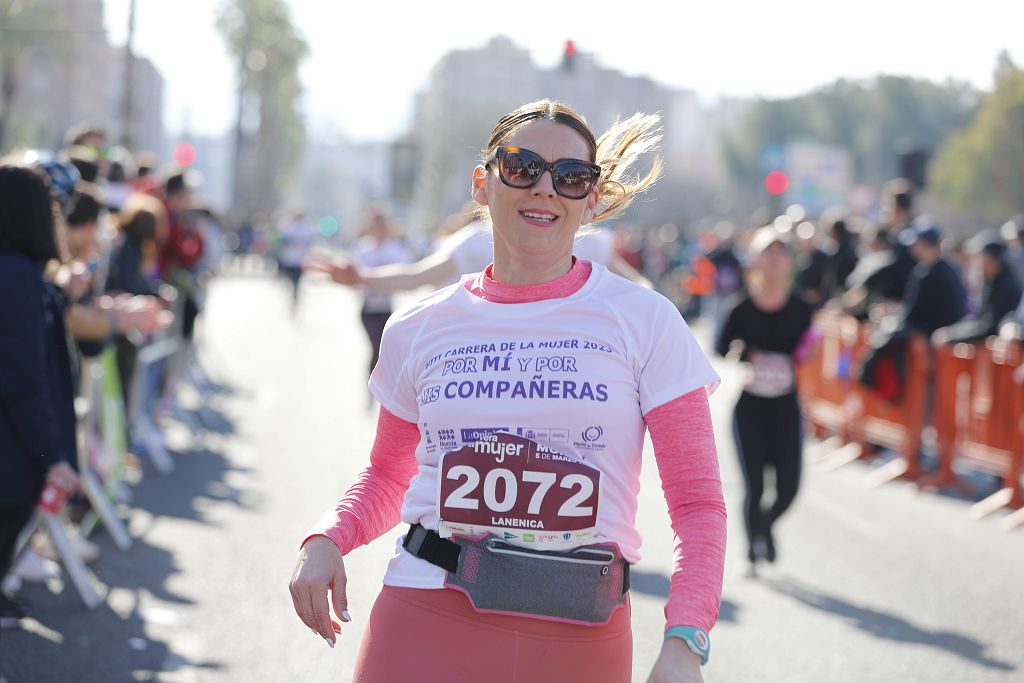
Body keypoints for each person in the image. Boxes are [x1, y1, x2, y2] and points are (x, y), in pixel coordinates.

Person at [289, 99, 725, 682]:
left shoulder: (646, 320)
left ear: (591, 199)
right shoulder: (419, 327)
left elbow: (698, 507)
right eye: (522, 167)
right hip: (424, 615)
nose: (546, 189)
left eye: (571, 178)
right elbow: (389, 477)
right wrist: (329, 536)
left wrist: (685, 642)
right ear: (483, 184)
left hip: (578, 634)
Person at [0, 163, 80, 627]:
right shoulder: (17, 277)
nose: (56, 213)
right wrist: (52, 454)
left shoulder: (21, 274)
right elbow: (21, 377)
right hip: (12, 450)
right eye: (49, 203)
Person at [715, 226, 814, 572]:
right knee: (754, 485)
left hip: (786, 406)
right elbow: (721, 346)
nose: (774, 259)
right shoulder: (740, 307)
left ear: (789, 261)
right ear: (755, 260)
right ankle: (753, 546)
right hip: (751, 407)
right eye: (767, 252)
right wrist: (742, 352)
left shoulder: (802, 307)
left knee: (789, 486)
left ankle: (767, 526)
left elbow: (810, 346)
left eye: (780, 252)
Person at [351, 206, 412, 378]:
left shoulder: (396, 249)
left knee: (384, 351)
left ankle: (380, 389)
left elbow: (407, 272)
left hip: (386, 308)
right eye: (376, 224)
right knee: (375, 347)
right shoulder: (362, 248)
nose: (379, 228)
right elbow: (355, 276)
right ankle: (371, 388)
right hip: (368, 309)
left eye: (382, 224)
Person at [933, 232, 1022, 345]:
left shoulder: (1008, 287)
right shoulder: (990, 282)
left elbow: (989, 327)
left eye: (980, 257)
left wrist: (952, 336)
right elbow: (978, 319)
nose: (977, 263)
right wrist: (952, 332)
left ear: (992, 259)